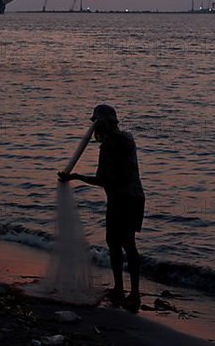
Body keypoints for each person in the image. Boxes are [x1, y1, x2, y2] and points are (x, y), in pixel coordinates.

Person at [58, 104, 145, 312]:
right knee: (120, 242)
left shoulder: (109, 144)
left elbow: (101, 179)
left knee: (122, 244)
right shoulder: (127, 139)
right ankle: (124, 290)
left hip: (121, 199)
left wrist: (75, 177)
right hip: (134, 197)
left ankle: (131, 293)